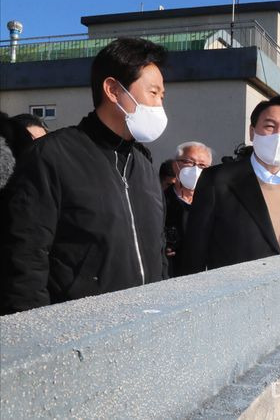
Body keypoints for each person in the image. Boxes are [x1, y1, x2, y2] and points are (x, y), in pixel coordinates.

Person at [0, 38, 169, 314]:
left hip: (145, 325)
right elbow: (25, 256)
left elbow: (158, 249)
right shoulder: (52, 155)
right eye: (153, 92)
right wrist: (38, 334)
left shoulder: (145, 165)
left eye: (162, 96)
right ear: (113, 90)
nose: (159, 105)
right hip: (78, 333)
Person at [183, 95, 280, 271]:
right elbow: (194, 252)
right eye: (270, 126)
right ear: (252, 132)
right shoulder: (217, 180)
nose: (278, 136)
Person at [164, 141, 213, 277]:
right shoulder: (160, 202)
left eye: (202, 165)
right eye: (188, 162)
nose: (195, 169)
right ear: (176, 166)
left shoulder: (215, 203)